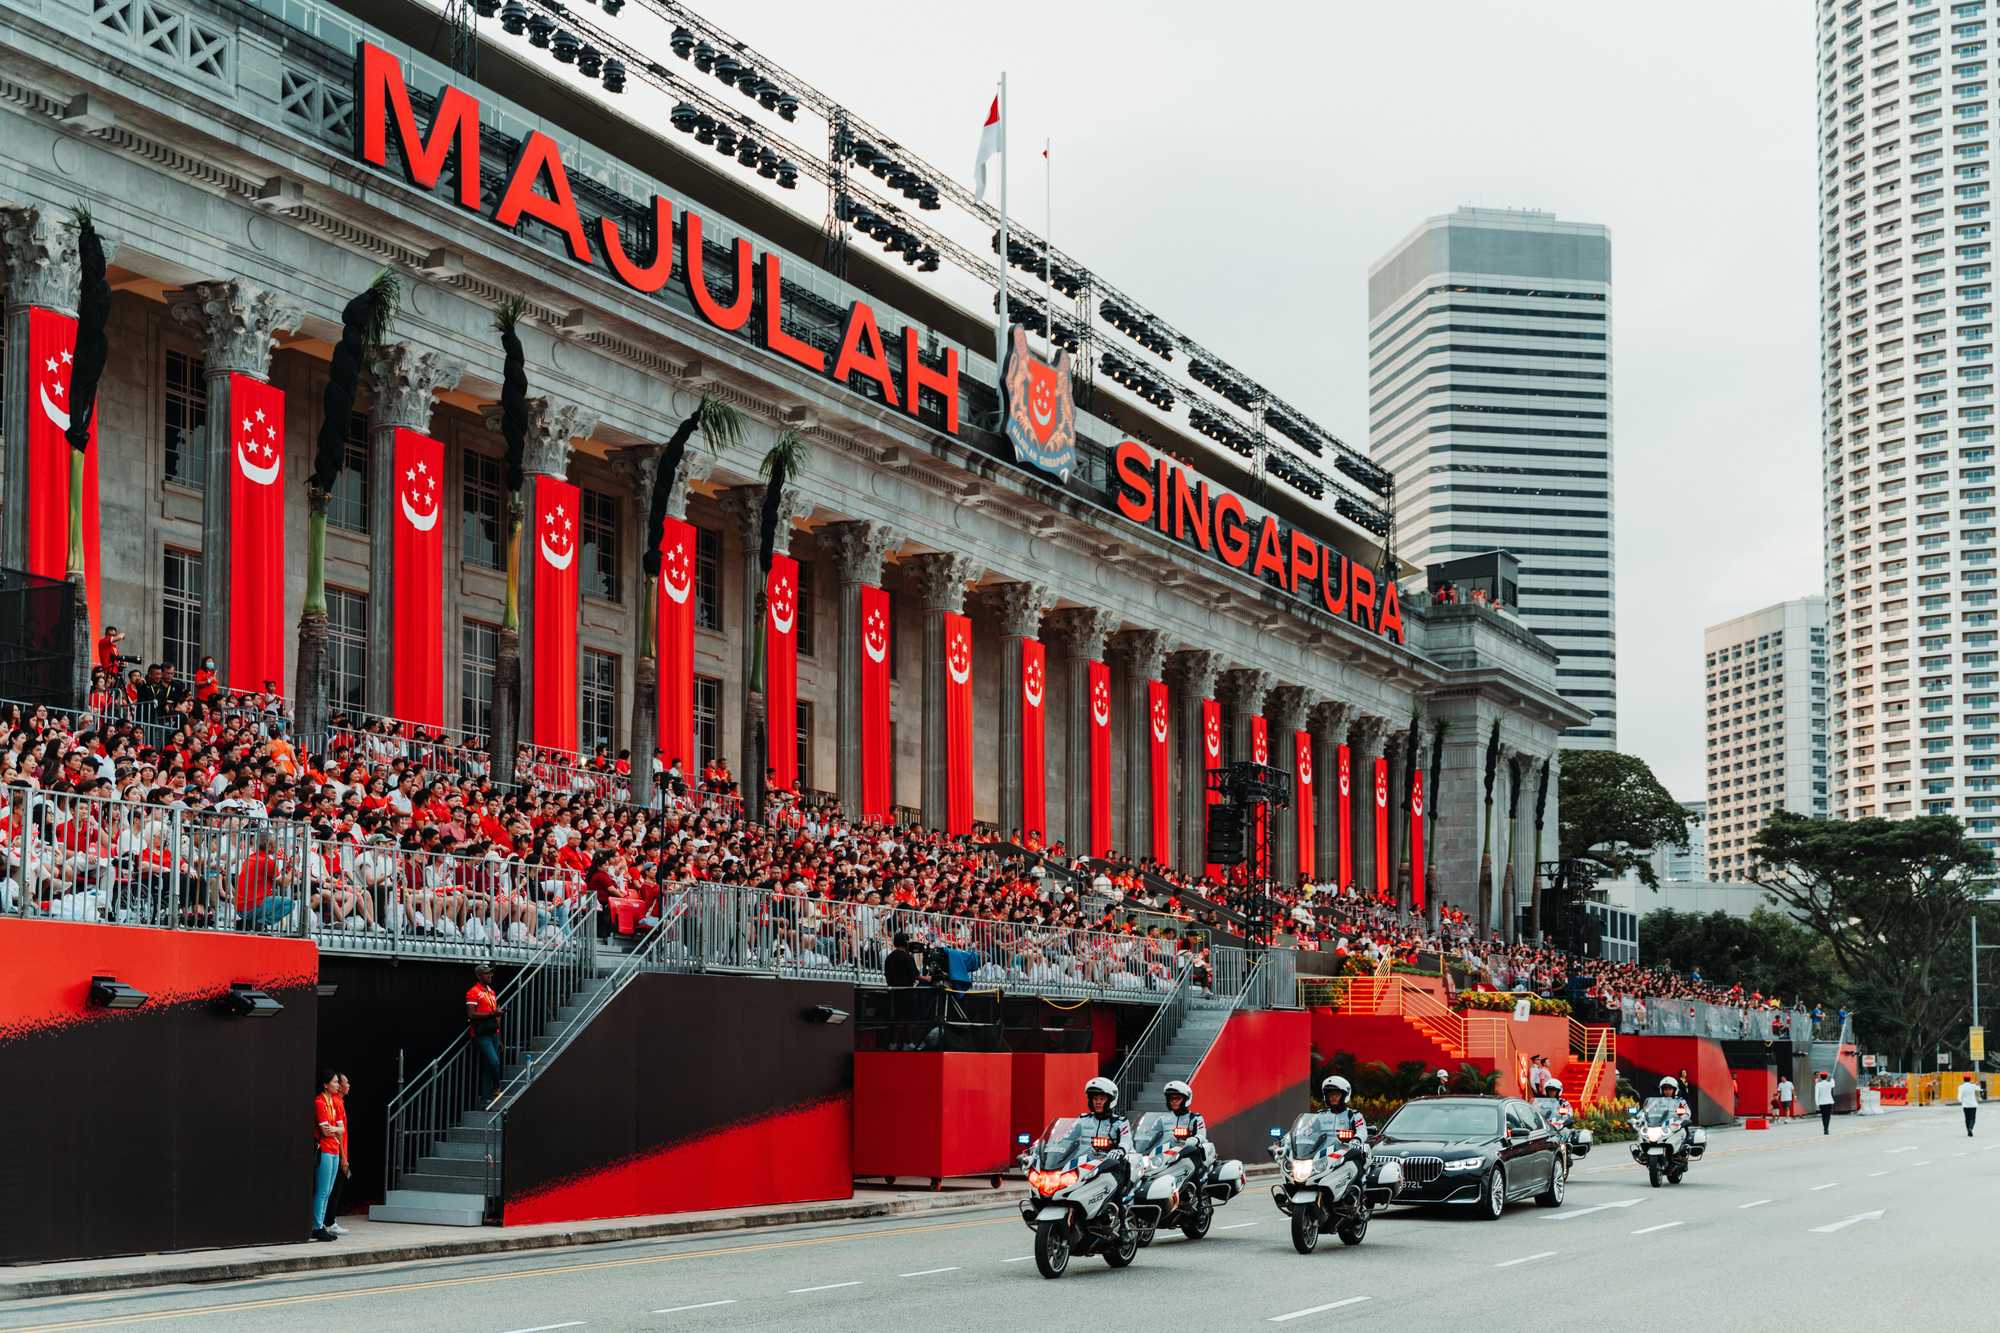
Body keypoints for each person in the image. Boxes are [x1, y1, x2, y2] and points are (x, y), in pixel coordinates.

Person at [1080, 1076, 1136, 1202]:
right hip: (1085, 1165)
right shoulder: (1082, 1120)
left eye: (1102, 1098)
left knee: (1116, 1193)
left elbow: (1126, 1141)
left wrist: (1119, 1150)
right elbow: (1068, 1137)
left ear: (1110, 1100)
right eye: (1095, 1098)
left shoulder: (1120, 1122)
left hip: (1110, 1165)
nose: (1097, 1102)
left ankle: (1120, 1217)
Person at [311, 1069, 343, 1242]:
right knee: (322, 1190)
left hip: (335, 1149)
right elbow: (325, 1130)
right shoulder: (320, 1102)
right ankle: (316, 1226)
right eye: (335, 1082)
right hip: (324, 1149)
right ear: (325, 1084)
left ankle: (321, 1224)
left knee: (329, 1190)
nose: (337, 1085)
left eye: (338, 1082)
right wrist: (334, 1131)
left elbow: (341, 1129)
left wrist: (335, 1130)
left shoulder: (334, 1102)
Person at [320, 1073, 352, 1234]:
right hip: (333, 1150)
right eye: (344, 1082)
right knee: (329, 1189)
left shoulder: (338, 1102)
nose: (347, 1085)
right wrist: (344, 1158)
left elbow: (341, 1130)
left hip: (338, 1150)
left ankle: (327, 1222)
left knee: (332, 1188)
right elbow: (335, 1133)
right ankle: (327, 1222)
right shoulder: (334, 1103)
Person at [467, 962, 503, 1107]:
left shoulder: (491, 992)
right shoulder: (473, 992)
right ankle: (496, 1086)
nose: (490, 975)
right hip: (481, 1034)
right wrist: (492, 1014)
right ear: (479, 976)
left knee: (489, 1065)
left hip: (493, 1033)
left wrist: (499, 1036)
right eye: (487, 973)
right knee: (494, 1062)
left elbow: (496, 1016)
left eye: (490, 973)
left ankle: (485, 1099)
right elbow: (471, 1014)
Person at [1161, 1079, 1211, 1177]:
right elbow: (1152, 1135)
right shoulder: (1163, 1119)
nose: (1173, 1101)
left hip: (1190, 1154)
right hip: (1169, 1155)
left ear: (1185, 1099)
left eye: (1177, 1098)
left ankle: (1197, 1189)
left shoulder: (1195, 1118)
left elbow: (1202, 1135)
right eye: (1171, 1098)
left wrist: (1194, 1139)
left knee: (1194, 1173)